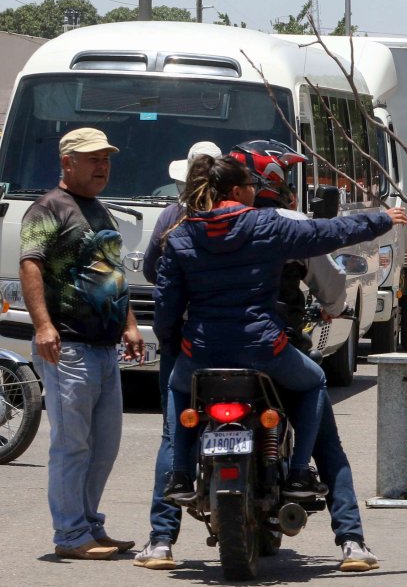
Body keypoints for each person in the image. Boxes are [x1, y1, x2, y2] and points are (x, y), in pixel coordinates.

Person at [154, 155, 407, 505]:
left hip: (201, 351)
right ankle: (300, 471)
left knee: (176, 389)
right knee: (314, 380)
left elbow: (166, 305)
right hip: (262, 348)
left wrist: (171, 344)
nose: (254, 192)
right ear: (237, 191)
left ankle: (180, 475)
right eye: (251, 186)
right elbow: (327, 233)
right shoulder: (267, 225)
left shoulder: (182, 234)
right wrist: (381, 220)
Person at [19, 127, 142, 560]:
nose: (102, 166)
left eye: (106, 158)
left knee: (104, 447)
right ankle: (70, 535)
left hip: (104, 346)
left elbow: (112, 273)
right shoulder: (48, 208)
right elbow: (30, 265)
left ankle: (89, 525)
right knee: (72, 445)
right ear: (67, 162)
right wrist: (43, 325)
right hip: (67, 344)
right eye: (93, 159)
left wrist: (129, 324)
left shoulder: (100, 211)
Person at [134, 140, 222, 570]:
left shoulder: (172, 218)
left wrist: (169, 338)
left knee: (174, 435)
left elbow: (153, 272)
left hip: (184, 346)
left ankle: (161, 539)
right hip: (241, 343)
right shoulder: (242, 215)